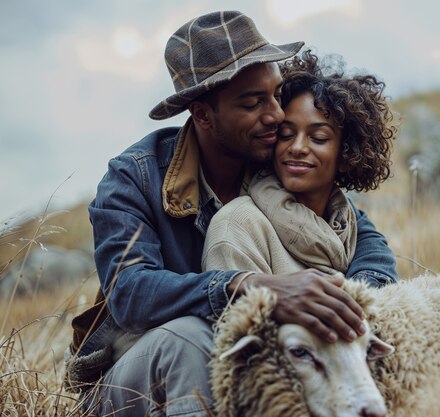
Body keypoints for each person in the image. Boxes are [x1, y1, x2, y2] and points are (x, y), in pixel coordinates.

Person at [64, 10, 397, 417]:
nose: (275, 115)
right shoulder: (134, 178)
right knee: (189, 339)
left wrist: (351, 301)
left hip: (232, 361)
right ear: (203, 114)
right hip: (132, 376)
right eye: (253, 103)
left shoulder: (268, 160)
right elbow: (131, 293)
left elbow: (361, 233)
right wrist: (250, 286)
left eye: (276, 94)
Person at [202, 51, 397, 311]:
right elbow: (240, 335)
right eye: (286, 134)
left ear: (347, 154)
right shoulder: (238, 225)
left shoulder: (347, 222)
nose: (297, 147)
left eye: (318, 138)